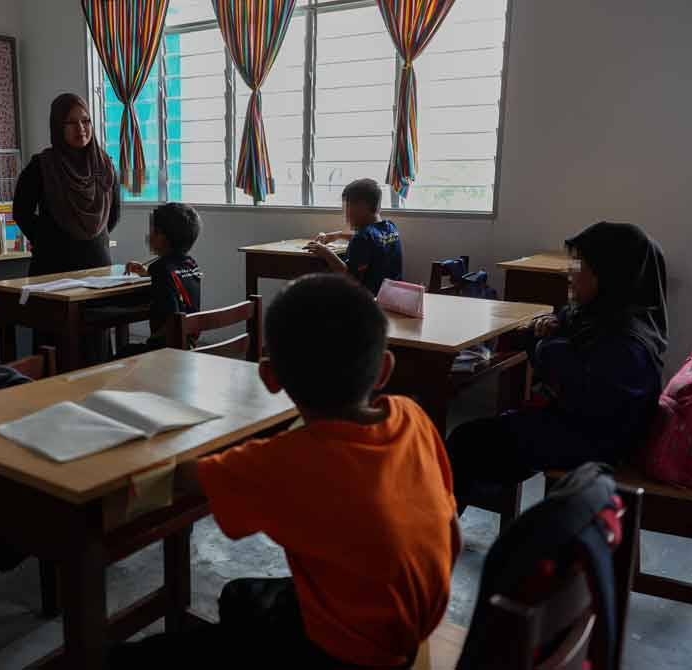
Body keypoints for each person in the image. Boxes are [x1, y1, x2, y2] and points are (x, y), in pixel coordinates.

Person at [109, 274, 460, 669]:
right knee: (239, 596)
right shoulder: (413, 418)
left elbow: (185, 479)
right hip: (411, 624)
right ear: (383, 369)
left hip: (345, 653)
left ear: (269, 376)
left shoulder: (285, 459)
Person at [446, 221, 668, 513]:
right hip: (577, 427)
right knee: (477, 444)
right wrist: (548, 335)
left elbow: (565, 372)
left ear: (611, 275)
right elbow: (556, 336)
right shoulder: (606, 315)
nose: (570, 273)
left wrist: (547, 343)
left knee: (466, 442)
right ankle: (457, 506)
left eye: (580, 266)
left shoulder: (626, 341)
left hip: (595, 444)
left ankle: (436, 534)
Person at [13, 93, 121, 277]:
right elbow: (21, 212)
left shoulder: (104, 165)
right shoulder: (42, 166)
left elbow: (114, 214)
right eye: (71, 123)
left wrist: (88, 235)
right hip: (53, 267)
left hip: (98, 266)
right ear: (57, 126)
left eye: (86, 121)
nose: (81, 128)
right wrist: (48, 238)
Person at [123, 202, 203, 351]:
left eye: (153, 231)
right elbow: (173, 279)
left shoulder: (160, 268)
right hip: (188, 344)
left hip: (166, 352)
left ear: (162, 237)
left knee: (122, 353)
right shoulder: (191, 264)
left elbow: (170, 317)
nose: (149, 236)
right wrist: (147, 272)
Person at [306, 178, 403, 295]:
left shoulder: (362, 238)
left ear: (361, 206)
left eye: (348, 206)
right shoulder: (390, 228)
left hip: (368, 301)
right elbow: (372, 240)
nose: (346, 213)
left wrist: (326, 252)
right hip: (393, 297)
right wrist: (339, 235)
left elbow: (349, 277)